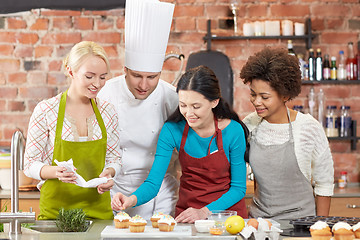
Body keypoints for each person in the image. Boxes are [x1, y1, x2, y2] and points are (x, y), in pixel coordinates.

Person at [111, 65, 249, 223]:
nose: (189, 114)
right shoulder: (172, 130)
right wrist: (131, 200)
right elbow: (153, 182)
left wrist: (204, 212)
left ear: (214, 102)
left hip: (228, 216)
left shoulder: (233, 131)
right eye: (183, 105)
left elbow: (238, 188)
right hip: (188, 215)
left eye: (196, 106)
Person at [97, 0, 178, 220]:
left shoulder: (171, 97)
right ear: (125, 69)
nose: (144, 85)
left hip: (161, 193)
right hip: (115, 191)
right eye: (137, 76)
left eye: (152, 77)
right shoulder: (105, 95)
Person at [24, 41, 121, 220]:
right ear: (71, 71)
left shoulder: (108, 111)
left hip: (98, 211)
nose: (97, 84)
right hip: (56, 214)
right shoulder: (46, 110)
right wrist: (55, 172)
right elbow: (29, 164)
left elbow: (115, 159)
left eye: (102, 77)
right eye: (89, 76)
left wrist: (110, 172)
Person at [240, 47, 334, 220]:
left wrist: (320, 226)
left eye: (265, 97)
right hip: (260, 224)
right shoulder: (249, 125)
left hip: (302, 225)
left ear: (284, 95)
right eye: (253, 94)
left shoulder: (308, 128)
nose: (256, 101)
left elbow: (324, 184)